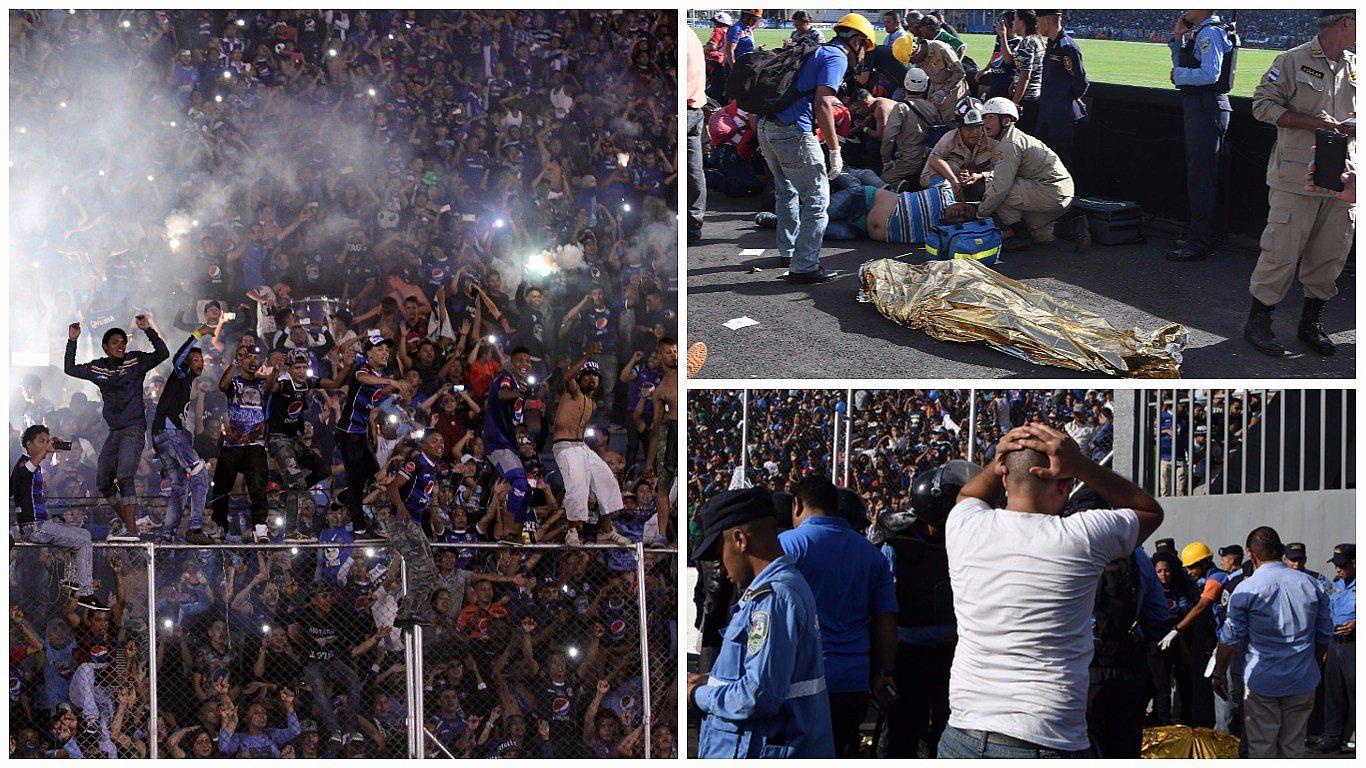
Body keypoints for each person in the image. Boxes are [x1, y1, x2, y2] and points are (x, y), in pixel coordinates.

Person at [939, 423, 1164, 758]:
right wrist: (1083, 465)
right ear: (1065, 485)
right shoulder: (1082, 536)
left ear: (1003, 478)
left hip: (963, 736)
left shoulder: (964, 526)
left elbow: (968, 495)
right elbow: (1150, 511)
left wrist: (998, 459)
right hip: (1046, 739)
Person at [687, 487, 835, 758]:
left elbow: (759, 694)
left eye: (720, 552)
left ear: (740, 540)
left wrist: (697, 695)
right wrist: (713, 681)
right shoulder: (776, 589)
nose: (721, 565)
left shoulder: (773, 598)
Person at [1244, 11, 1356, 357]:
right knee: (1280, 253)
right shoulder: (1292, 61)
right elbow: (1261, 106)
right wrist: (1314, 125)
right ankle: (1259, 324)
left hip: (1344, 179)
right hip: (1297, 177)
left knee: (1330, 256)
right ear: (1346, 22)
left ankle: (1311, 324)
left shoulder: (1357, 66)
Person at [779, 475, 897, 756]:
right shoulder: (872, 555)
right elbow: (886, 620)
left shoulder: (787, 545)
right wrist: (885, 673)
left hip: (799, 680)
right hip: (852, 682)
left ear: (797, 505)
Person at [757, 13, 872, 284]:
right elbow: (823, 104)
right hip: (792, 131)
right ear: (856, 40)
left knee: (786, 191)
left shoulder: (813, 49)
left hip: (766, 126)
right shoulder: (837, 56)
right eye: (864, 48)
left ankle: (789, 251)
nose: (864, 55)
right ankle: (805, 266)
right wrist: (834, 150)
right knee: (817, 200)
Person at [880, 460, 979, 758]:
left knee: (948, 732)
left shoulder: (967, 541)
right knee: (904, 732)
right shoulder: (898, 545)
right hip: (912, 656)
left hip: (953, 652)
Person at [1212, 527, 1334, 758]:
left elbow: (1229, 639)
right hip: (1302, 679)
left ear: (1251, 554)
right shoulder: (1312, 585)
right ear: (1281, 551)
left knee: (1262, 749)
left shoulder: (1245, 589)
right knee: (1293, 747)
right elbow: (1324, 634)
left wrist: (1219, 673)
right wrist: (1313, 664)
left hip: (1262, 681)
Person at [63, 317, 169, 540]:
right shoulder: (98, 367)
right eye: (115, 342)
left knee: (124, 476)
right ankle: (130, 525)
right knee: (103, 481)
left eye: (122, 342)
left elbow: (162, 353)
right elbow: (70, 368)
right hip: (113, 431)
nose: (120, 345)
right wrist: (72, 340)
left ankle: (130, 530)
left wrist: (148, 329)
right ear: (105, 346)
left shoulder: (135, 361)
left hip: (133, 428)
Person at [1164, 11, 1236, 261]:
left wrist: (1179, 76)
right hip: (1200, 106)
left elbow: (1210, 73)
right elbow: (1181, 66)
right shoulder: (1203, 32)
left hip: (1207, 106)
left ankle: (1199, 241)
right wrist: (1177, 37)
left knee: (1201, 175)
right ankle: (1198, 235)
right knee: (1199, 173)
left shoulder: (1211, 33)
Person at [11, 425, 106, 611]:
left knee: (79, 534)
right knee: (84, 539)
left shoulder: (32, 467)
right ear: (28, 445)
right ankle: (86, 593)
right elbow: (26, 470)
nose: (46, 445)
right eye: (41, 441)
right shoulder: (24, 464)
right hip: (35, 527)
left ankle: (71, 582)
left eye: (47, 441)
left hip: (39, 525)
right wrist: (45, 451)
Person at [978, 97, 1084, 250]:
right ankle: (1073, 226)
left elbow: (1001, 187)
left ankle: (1020, 236)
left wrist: (980, 213)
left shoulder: (1009, 144)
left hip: (1050, 191)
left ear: (1006, 121)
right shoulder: (1013, 138)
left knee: (995, 188)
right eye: (984, 118)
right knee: (1037, 233)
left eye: (991, 117)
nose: (985, 123)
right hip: (1057, 191)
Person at [551, 352, 631, 547]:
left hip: (581, 447)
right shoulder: (573, 392)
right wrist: (587, 355)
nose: (591, 378)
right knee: (577, 484)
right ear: (580, 378)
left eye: (595, 375)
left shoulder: (592, 405)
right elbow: (567, 377)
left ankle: (606, 530)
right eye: (587, 375)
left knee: (608, 480)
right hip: (564, 445)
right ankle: (572, 531)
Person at [336, 337, 408, 540]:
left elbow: (375, 390)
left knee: (375, 475)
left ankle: (344, 496)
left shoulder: (378, 374)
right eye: (380, 349)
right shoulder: (363, 366)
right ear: (369, 353)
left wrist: (393, 390)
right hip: (348, 432)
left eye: (387, 350)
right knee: (357, 482)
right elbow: (362, 379)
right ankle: (359, 528)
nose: (385, 352)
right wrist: (390, 381)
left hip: (359, 434)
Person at [265, 348, 340, 541]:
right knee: (296, 484)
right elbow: (268, 389)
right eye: (297, 367)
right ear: (289, 368)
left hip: (293, 439)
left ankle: (290, 491)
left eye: (304, 367)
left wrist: (346, 364)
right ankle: (290, 532)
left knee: (323, 469)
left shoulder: (307, 382)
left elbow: (335, 384)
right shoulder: (283, 382)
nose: (301, 371)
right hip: (278, 438)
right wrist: (275, 370)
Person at [151, 326, 215, 544]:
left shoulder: (186, 386)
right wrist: (198, 334)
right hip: (169, 433)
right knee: (199, 473)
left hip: (165, 437)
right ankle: (196, 527)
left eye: (201, 360)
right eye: (196, 359)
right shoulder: (181, 374)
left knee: (179, 487)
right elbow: (177, 358)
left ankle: (167, 535)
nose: (200, 363)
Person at [211, 344, 273, 543]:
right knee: (221, 487)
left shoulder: (264, 384)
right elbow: (222, 386)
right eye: (248, 358)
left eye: (256, 358)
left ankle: (260, 528)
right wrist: (235, 363)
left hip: (255, 444)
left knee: (257, 487)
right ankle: (219, 526)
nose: (252, 361)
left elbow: (274, 386)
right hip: (232, 444)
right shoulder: (235, 382)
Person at [384, 430, 446, 629]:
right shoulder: (416, 463)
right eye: (435, 441)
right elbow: (393, 487)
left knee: (430, 571)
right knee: (424, 570)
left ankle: (412, 610)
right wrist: (400, 507)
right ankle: (407, 612)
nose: (440, 444)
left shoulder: (433, 468)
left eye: (442, 441)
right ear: (424, 446)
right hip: (402, 524)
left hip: (415, 524)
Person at [1158, 541, 1223, 727]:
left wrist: (1177, 629)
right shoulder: (1204, 580)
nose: (1189, 572)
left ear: (1203, 563)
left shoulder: (1216, 579)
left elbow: (1201, 606)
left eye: (1192, 567)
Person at [483, 345, 538, 543]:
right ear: (512, 363)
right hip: (497, 442)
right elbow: (501, 394)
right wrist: (517, 394)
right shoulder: (506, 379)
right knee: (521, 485)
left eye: (528, 361)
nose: (525, 364)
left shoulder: (520, 386)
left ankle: (515, 533)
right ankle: (506, 532)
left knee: (527, 491)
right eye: (521, 360)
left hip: (508, 443)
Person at [1034, 11, 1088, 171]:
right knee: (1041, 155)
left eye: (1038, 21)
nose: (1036, 25)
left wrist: (1067, 98)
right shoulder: (1052, 44)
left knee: (1060, 159)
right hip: (1047, 111)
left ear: (1048, 21)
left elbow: (1081, 82)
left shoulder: (1067, 47)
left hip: (1061, 114)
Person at [1317, 543, 1355, 753]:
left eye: (1342, 565)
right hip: (1334, 644)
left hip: (1354, 645)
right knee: (1333, 694)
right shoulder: (1338, 583)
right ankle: (1331, 738)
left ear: (1355, 563)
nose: (1338, 569)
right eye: (1336, 565)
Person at [877, 67, 940, 189]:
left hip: (907, 159)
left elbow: (889, 136)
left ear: (905, 84)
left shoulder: (900, 107)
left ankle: (898, 186)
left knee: (883, 180)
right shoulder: (931, 107)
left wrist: (886, 160)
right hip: (927, 160)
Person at [907, 31, 968, 123]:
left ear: (916, 51)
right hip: (934, 93)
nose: (912, 63)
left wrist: (944, 92)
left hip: (953, 94)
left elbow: (960, 73)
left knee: (950, 124)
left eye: (911, 59)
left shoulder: (941, 49)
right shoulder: (919, 58)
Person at [685, 26, 707, 242]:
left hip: (683, 109)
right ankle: (693, 226)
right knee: (693, 170)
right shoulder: (691, 34)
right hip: (695, 107)